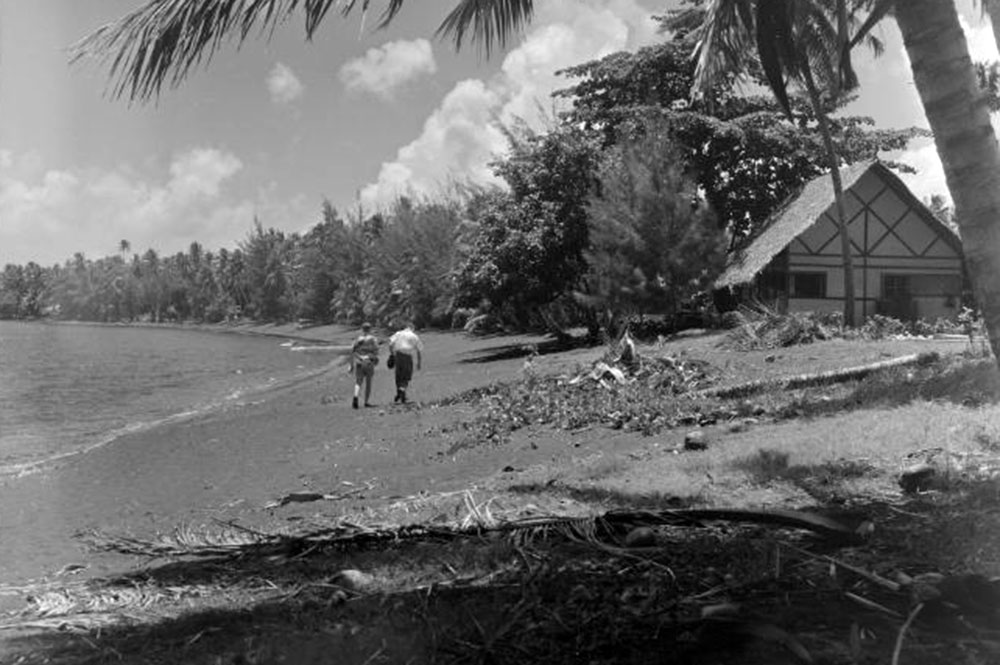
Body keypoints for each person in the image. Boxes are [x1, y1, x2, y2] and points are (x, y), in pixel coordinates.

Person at [388, 322, 423, 404]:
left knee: (398, 376)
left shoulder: (398, 333)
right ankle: (402, 390)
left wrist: (392, 354)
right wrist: (419, 363)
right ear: (412, 328)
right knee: (406, 376)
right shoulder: (414, 336)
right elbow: (419, 351)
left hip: (398, 355)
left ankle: (400, 395)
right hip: (407, 357)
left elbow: (390, 344)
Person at [350, 322, 379, 409]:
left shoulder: (358, 339)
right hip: (369, 362)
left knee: (358, 382)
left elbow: (352, 351)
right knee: (368, 382)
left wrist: (351, 365)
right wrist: (375, 359)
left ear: (362, 329)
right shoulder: (373, 339)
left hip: (359, 362)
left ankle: (355, 396)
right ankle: (366, 402)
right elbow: (376, 351)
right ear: (370, 329)